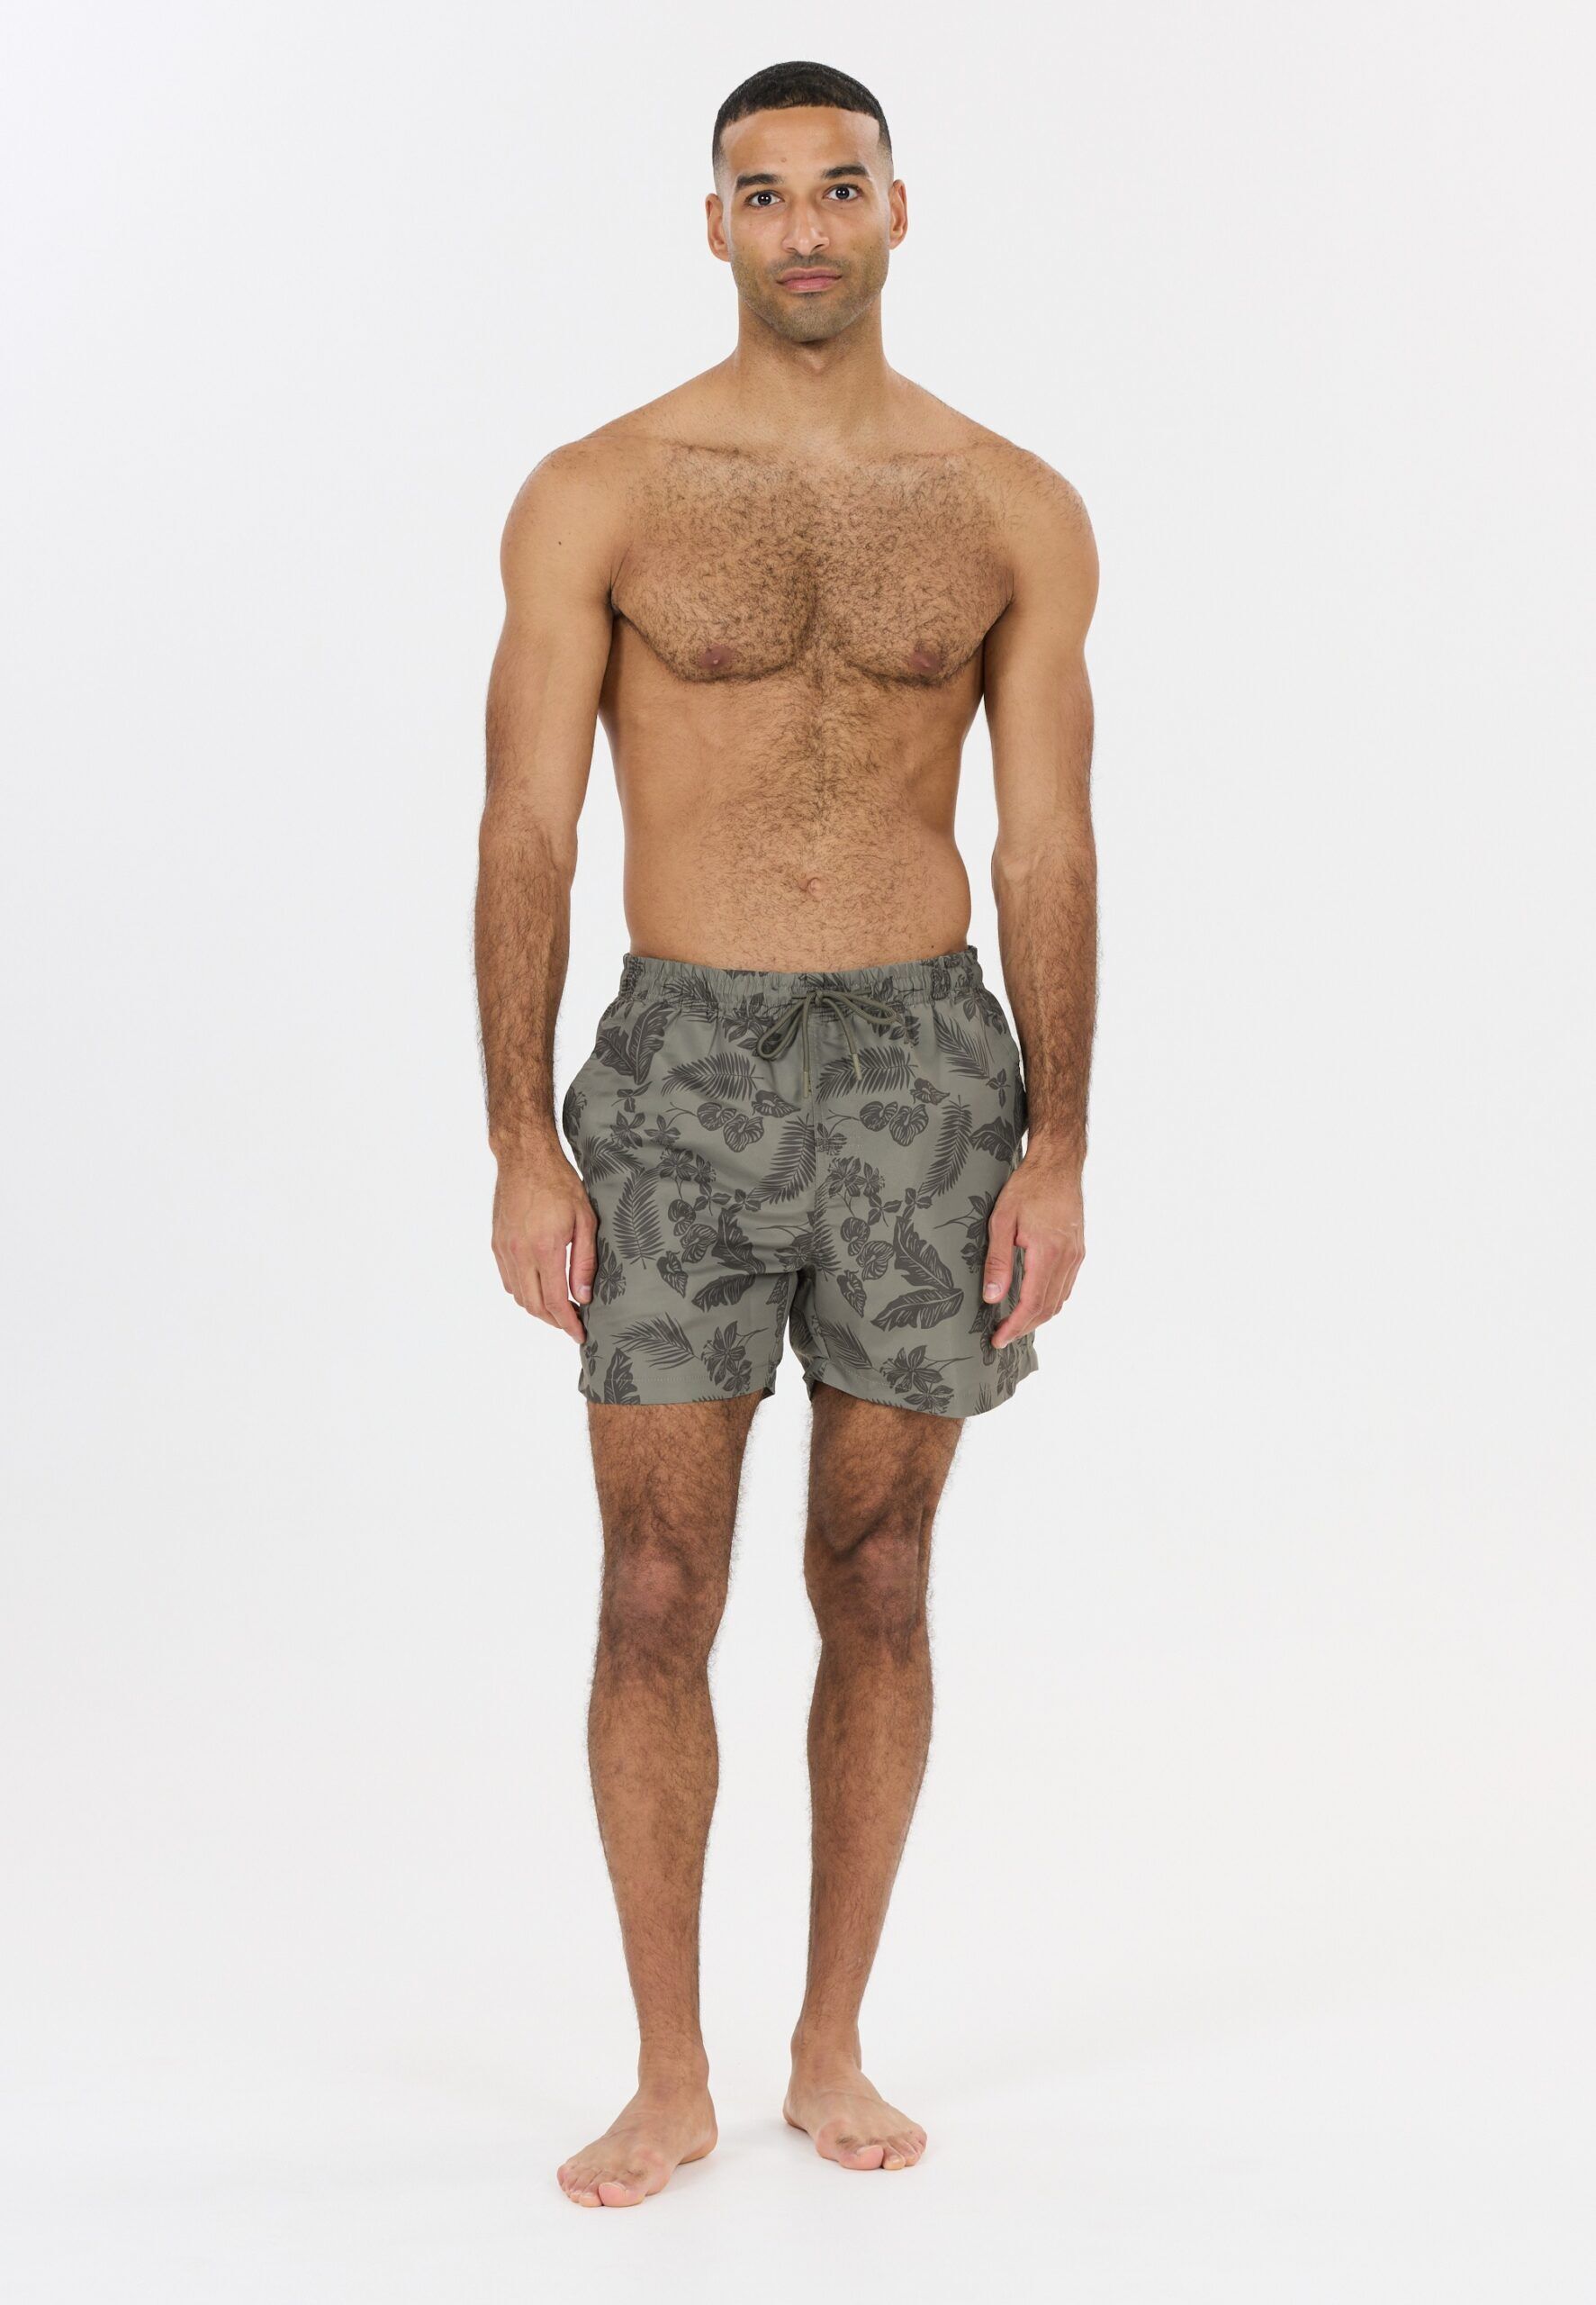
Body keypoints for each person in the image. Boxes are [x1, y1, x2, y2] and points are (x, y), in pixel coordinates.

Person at [473, 59, 1098, 2208]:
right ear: (713, 224)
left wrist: (1056, 1144)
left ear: (899, 211)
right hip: (682, 1069)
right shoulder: (603, 492)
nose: (805, 227)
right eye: (765, 194)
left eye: (840, 188)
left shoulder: (1007, 503)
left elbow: (1046, 845)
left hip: (928, 1066)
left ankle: (830, 2037)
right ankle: (667, 2066)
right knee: (655, 1576)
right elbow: (528, 825)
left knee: (882, 1568)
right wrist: (520, 1137)